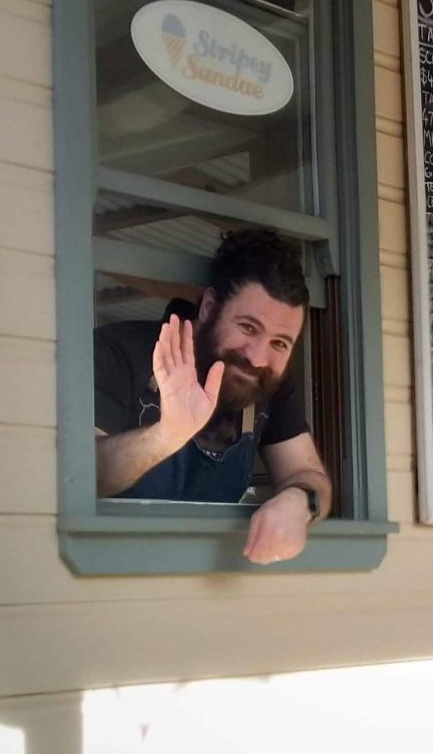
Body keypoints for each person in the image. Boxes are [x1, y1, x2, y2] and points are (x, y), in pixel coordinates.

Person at [93, 229, 331, 565]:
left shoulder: (266, 384)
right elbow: (87, 473)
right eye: (248, 328)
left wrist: (299, 502)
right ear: (208, 307)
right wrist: (167, 435)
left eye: (280, 343)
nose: (258, 357)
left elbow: (309, 477)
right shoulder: (118, 351)